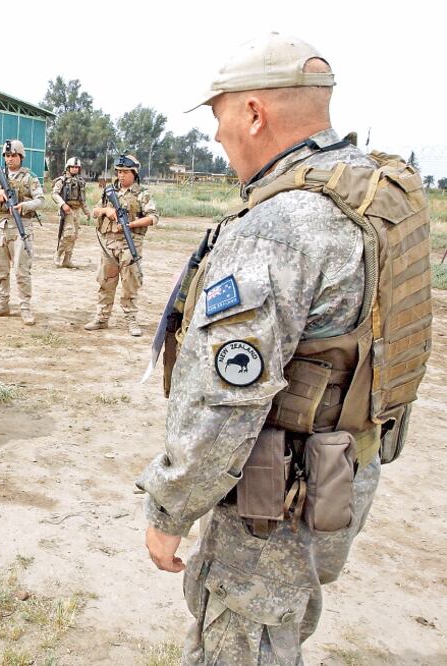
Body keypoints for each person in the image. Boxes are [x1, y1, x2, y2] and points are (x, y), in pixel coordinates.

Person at [136, 33, 432, 664]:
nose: (217, 137)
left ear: (253, 113)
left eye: (218, 117)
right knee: (286, 624)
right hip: (345, 471)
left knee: (247, 641)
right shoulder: (375, 194)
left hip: (277, 495)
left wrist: (171, 508)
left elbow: (226, 398)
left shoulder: (284, 222)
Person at [85, 154, 158, 336]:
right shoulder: (109, 191)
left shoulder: (142, 194)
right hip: (109, 243)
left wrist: (131, 225)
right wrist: (106, 210)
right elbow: (94, 212)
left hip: (130, 242)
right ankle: (102, 317)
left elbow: (153, 217)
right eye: (119, 172)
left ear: (134, 173)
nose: (121, 175)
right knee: (105, 282)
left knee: (130, 283)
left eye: (125, 172)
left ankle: (131, 319)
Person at [0, 139, 44, 326]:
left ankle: (25, 307)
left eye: (13, 156)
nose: (10, 159)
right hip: (0, 226)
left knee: (21, 270)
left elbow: (41, 200)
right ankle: (2, 304)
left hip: (21, 226)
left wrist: (24, 205)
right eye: (7, 156)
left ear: (21, 157)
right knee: (0, 269)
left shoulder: (29, 177)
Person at [52, 157, 88, 268]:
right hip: (67, 210)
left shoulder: (80, 181)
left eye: (77, 167)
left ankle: (67, 259)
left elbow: (82, 199)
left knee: (74, 236)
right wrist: (63, 204)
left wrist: (87, 212)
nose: (75, 169)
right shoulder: (62, 180)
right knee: (68, 234)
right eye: (73, 167)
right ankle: (58, 254)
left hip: (77, 210)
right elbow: (55, 194)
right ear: (68, 167)